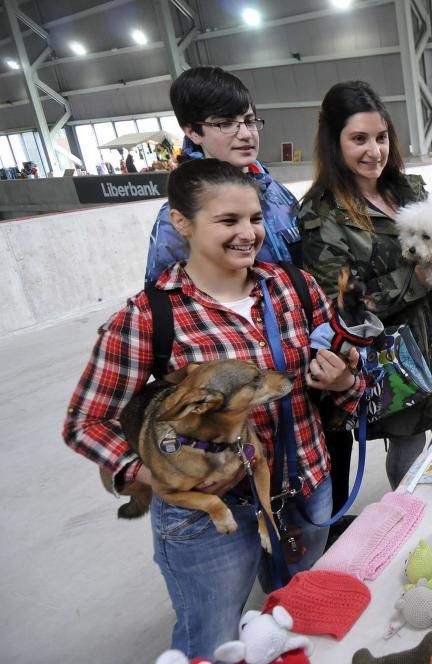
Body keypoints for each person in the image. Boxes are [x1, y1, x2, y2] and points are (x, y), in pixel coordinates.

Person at [63, 159, 365, 658]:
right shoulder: (148, 317)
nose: (247, 234)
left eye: (254, 219)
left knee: (291, 616)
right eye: (228, 221)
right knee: (215, 640)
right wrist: (154, 471)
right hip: (208, 522)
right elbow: (85, 422)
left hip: (305, 488)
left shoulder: (295, 287)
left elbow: (349, 386)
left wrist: (345, 379)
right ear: (181, 222)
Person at [298, 80, 432, 489]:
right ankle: (408, 522)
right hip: (393, 355)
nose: (374, 151)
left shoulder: (410, 190)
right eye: (359, 139)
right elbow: (342, 306)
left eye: (381, 138)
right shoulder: (322, 214)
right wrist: (423, 277)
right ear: (333, 141)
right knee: (408, 450)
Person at [145, 66, 301, 285]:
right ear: (192, 131)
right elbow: (163, 300)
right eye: (225, 123)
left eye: (249, 120)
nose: (246, 134)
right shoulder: (181, 216)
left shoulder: (278, 194)